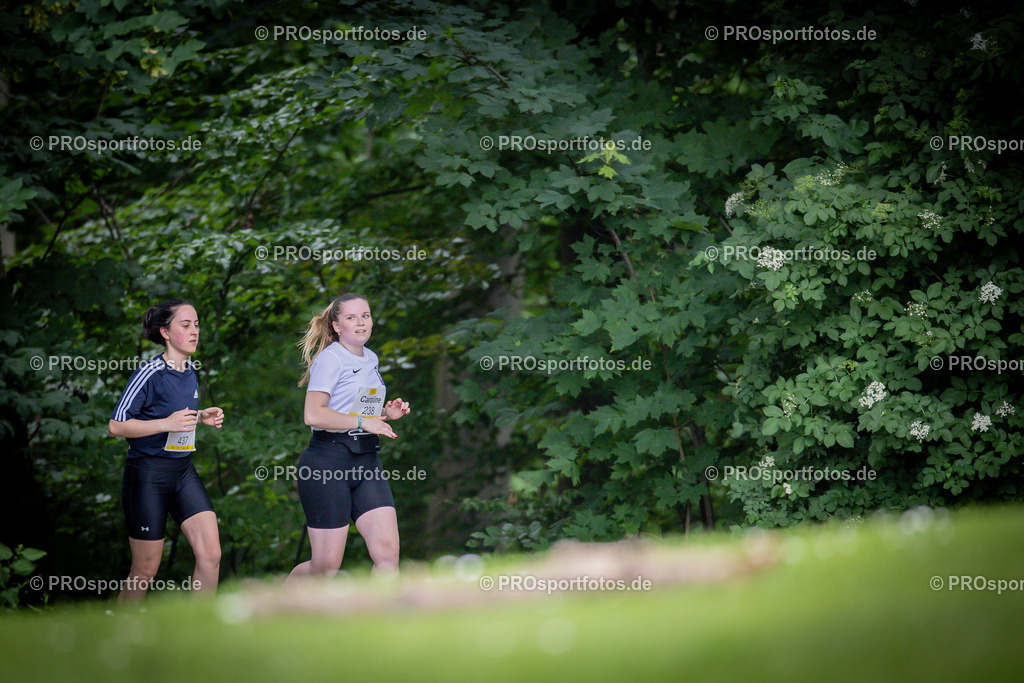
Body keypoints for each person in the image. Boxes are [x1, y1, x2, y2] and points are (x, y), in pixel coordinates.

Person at [108, 299, 225, 602]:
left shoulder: (190, 371)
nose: (194, 331)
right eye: (185, 325)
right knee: (146, 567)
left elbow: (175, 417)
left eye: (197, 324)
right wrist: (165, 423)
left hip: (182, 470)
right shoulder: (150, 373)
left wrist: (202, 417)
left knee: (211, 554)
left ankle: (199, 635)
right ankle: (123, 635)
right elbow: (117, 426)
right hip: (147, 473)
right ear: (165, 332)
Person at [287, 293, 410, 580]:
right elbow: (313, 415)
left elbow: (358, 411)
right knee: (326, 566)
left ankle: (381, 623)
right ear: (336, 326)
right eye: (351, 317)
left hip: (366, 461)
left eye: (365, 316)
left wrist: (386, 413)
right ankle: (279, 609)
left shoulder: (371, 358)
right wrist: (362, 421)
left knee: (388, 553)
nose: (361, 323)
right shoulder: (330, 359)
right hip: (327, 463)